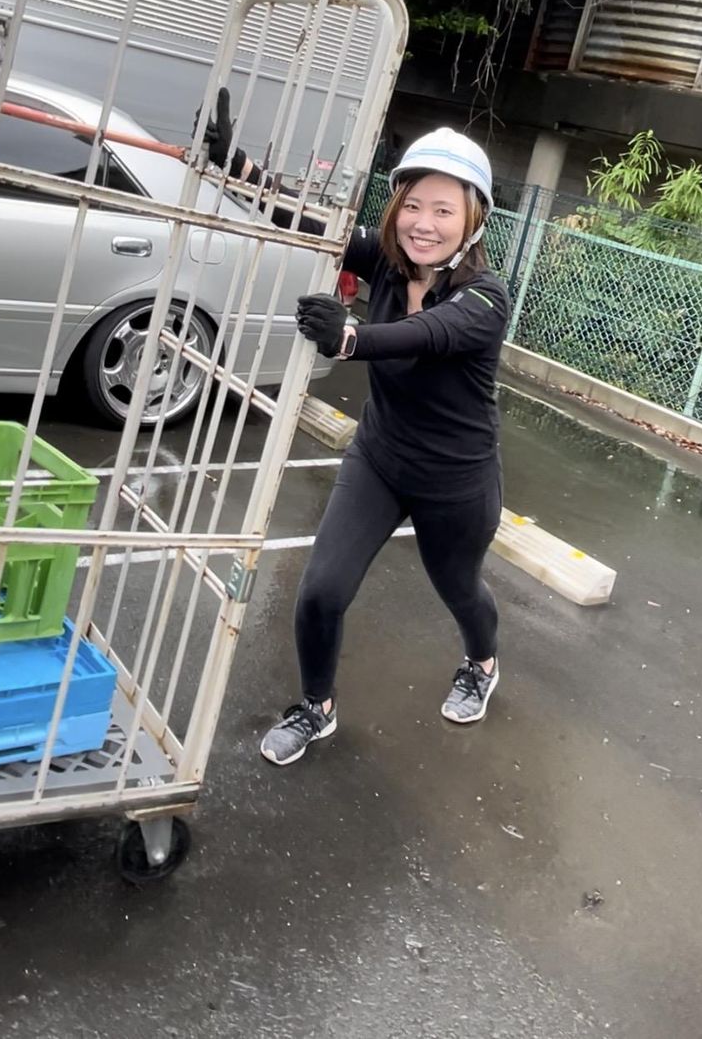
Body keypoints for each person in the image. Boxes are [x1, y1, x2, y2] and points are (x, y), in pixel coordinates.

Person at [199, 92, 510, 767]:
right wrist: (240, 170)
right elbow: (310, 223)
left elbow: (428, 335)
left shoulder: (486, 297)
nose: (423, 223)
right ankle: (317, 706)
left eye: (444, 210)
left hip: (456, 479)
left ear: (473, 219)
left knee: (460, 589)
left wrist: (349, 338)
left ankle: (481, 663)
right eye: (413, 206)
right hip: (380, 458)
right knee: (322, 589)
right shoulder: (388, 262)